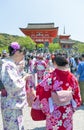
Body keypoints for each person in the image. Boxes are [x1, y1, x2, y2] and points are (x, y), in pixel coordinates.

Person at [35, 54, 81, 130]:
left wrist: (46, 110)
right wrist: (74, 107)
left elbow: (42, 92)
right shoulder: (72, 77)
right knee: (66, 127)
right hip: (67, 109)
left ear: (55, 64)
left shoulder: (50, 77)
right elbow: (77, 94)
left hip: (53, 109)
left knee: (54, 126)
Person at [1, 42, 29, 130]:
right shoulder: (8, 65)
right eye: (23, 54)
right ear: (17, 53)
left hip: (11, 103)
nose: (23, 57)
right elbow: (14, 85)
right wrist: (24, 78)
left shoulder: (9, 64)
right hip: (11, 104)